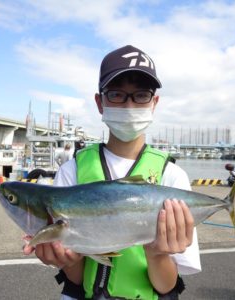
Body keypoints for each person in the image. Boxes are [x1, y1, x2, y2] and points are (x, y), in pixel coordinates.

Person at [23, 45, 201, 300]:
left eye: (141, 95)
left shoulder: (172, 177)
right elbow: (75, 277)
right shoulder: (72, 170)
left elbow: (166, 286)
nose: (129, 104)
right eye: (117, 94)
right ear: (100, 102)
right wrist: (67, 259)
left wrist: (157, 252)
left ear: (154, 103)